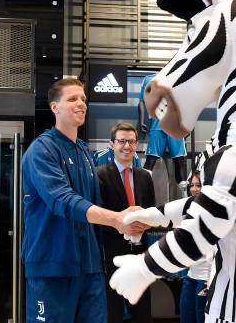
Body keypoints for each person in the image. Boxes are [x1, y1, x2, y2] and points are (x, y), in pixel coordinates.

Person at [21, 78, 147, 323]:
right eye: (72, 99)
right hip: (53, 268)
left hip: (90, 267)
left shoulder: (84, 152)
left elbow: (95, 205)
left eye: (83, 99)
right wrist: (116, 219)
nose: (81, 104)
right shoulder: (41, 150)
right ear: (55, 107)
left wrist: (130, 219)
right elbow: (62, 200)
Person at [97, 123, 155, 323]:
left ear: (137, 144)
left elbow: (151, 211)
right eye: (121, 141)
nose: (127, 146)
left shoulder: (144, 177)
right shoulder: (100, 174)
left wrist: (146, 224)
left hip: (140, 255)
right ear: (111, 144)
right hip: (112, 254)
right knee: (112, 310)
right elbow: (98, 215)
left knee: (142, 310)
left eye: (131, 141)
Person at [179, 171, 213, 323]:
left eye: (198, 185)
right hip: (191, 276)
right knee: (186, 317)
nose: (194, 189)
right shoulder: (188, 210)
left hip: (205, 279)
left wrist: (212, 279)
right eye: (192, 185)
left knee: (201, 319)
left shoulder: (214, 212)